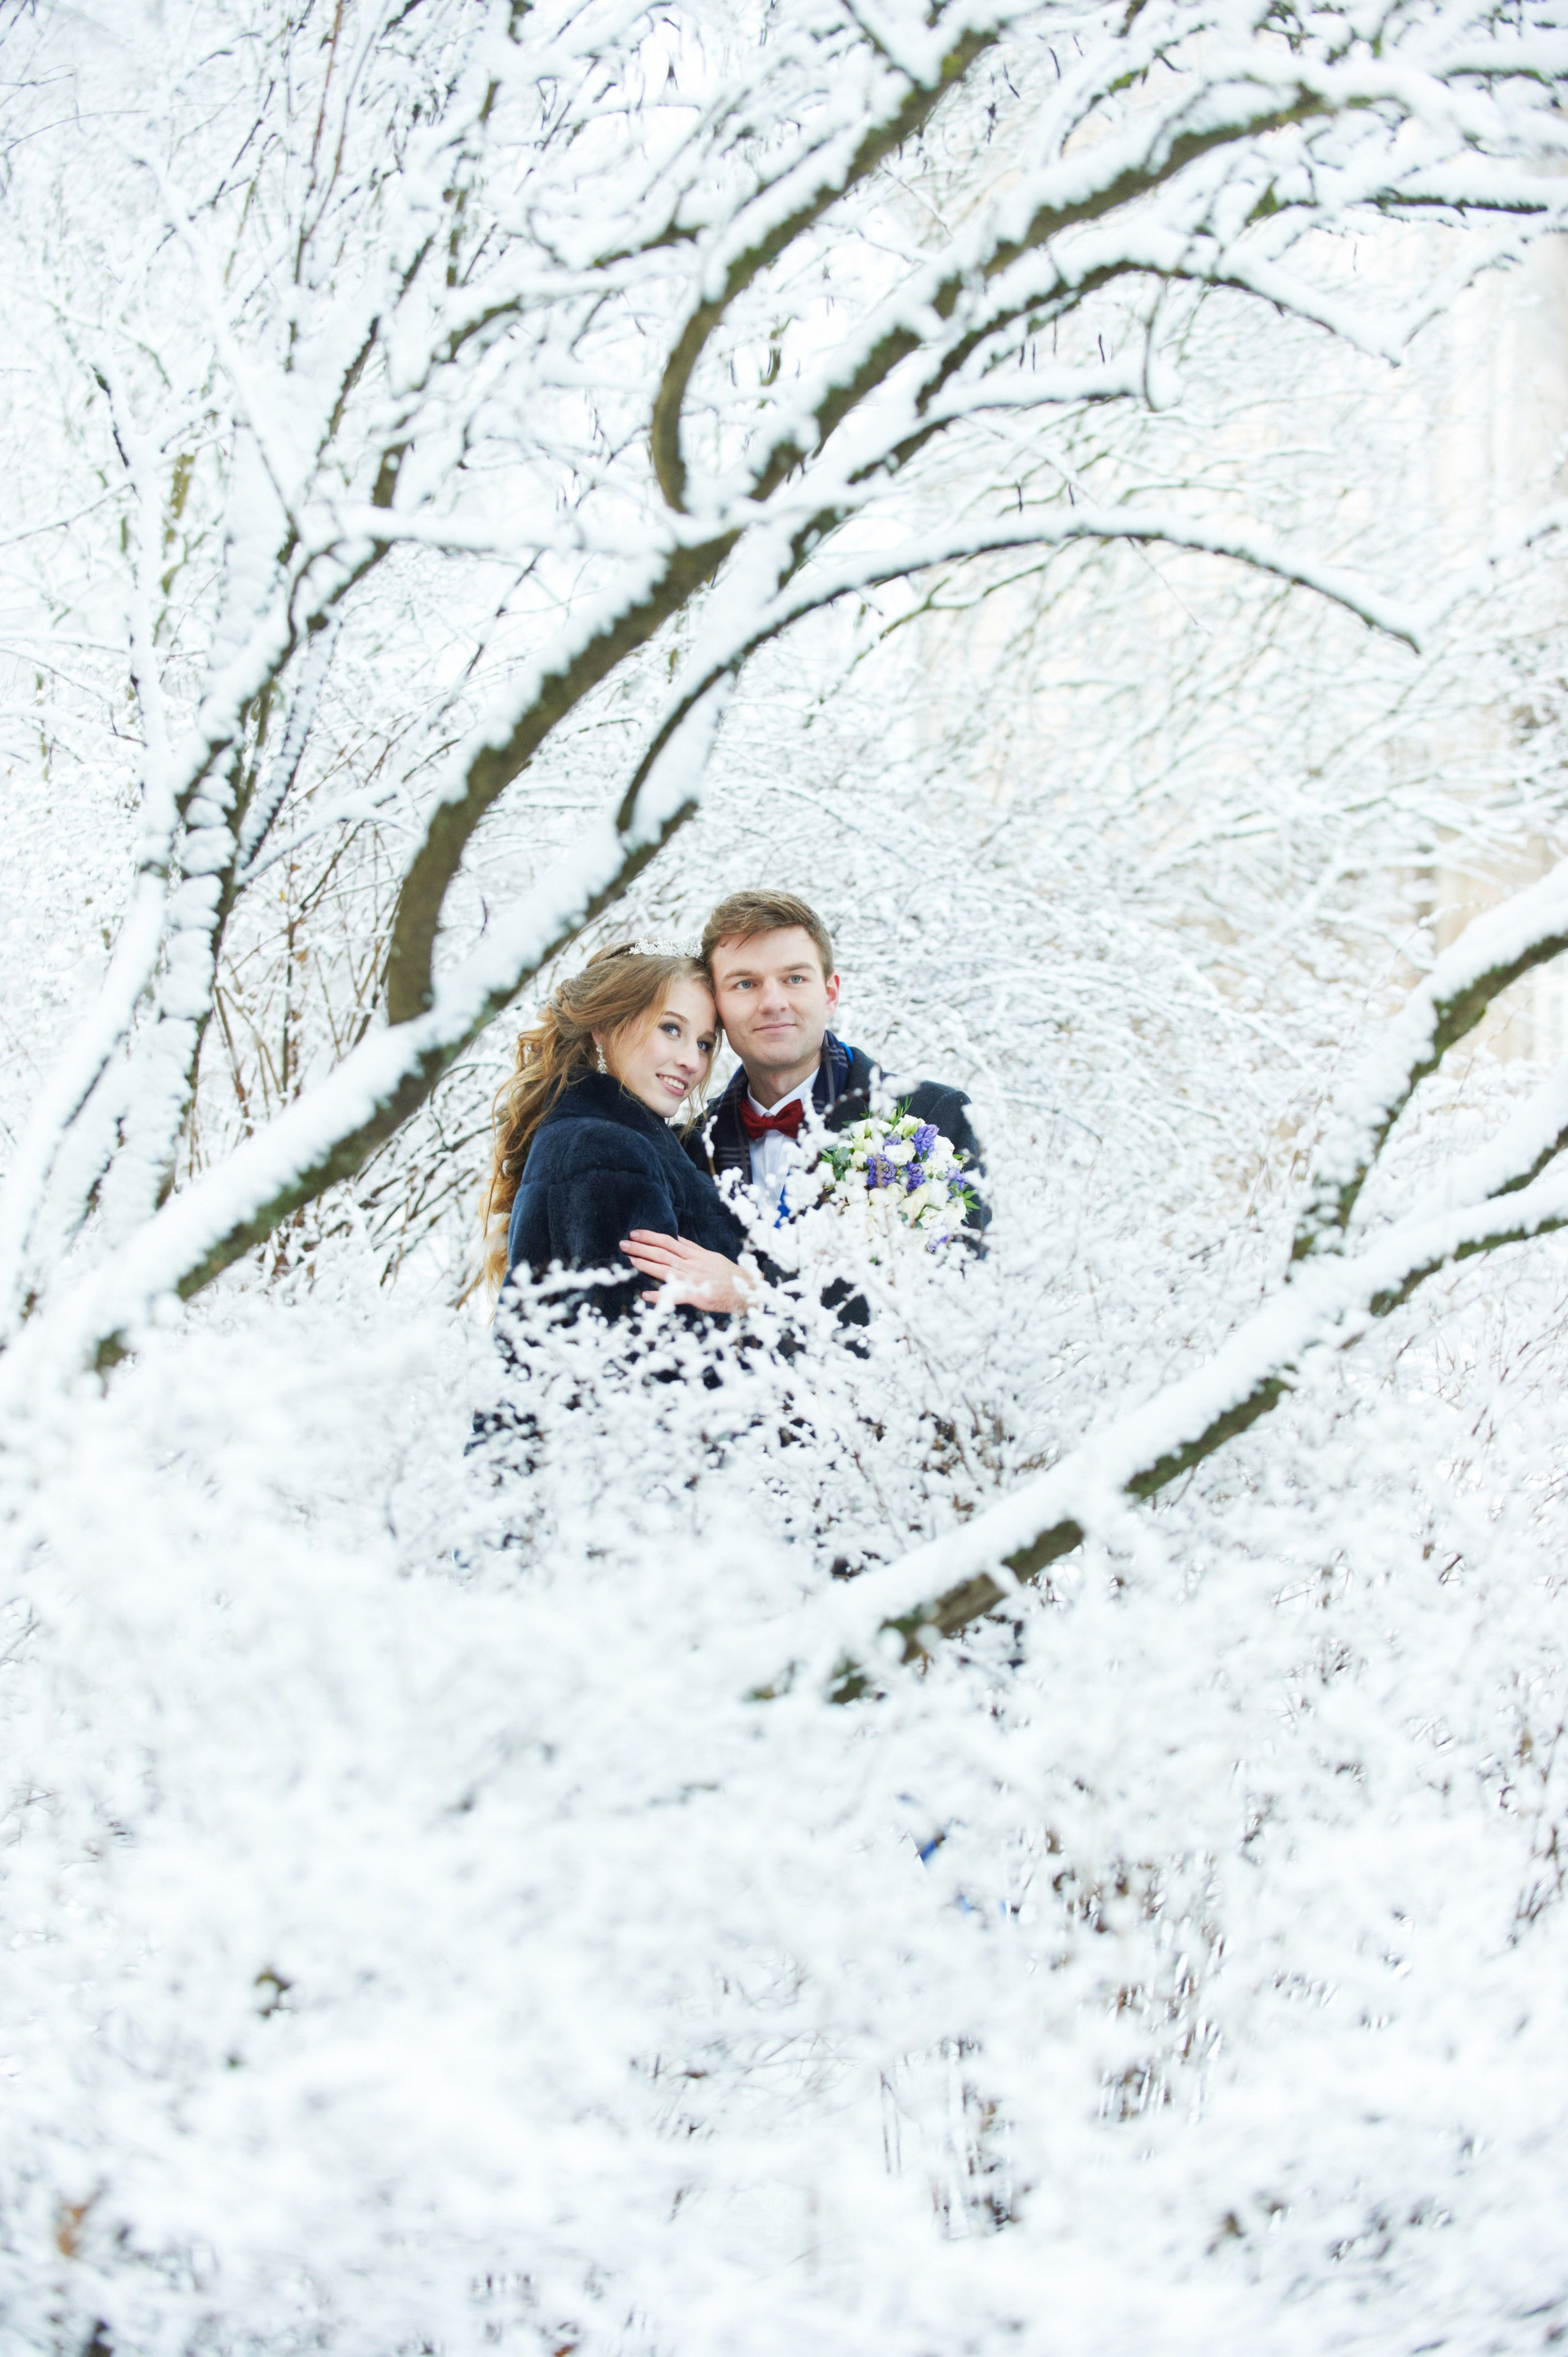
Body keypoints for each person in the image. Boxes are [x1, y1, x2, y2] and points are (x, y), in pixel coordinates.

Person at [682, 890, 985, 1238]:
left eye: (794, 979)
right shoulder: (686, 1146)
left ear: (830, 995)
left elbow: (960, 1281)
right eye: (745, 984)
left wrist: (748, 1292)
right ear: (715, 1006)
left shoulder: (936, 1116)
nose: (773, 1002)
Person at [483, 945, 754, 1320]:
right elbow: (642, 1346)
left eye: (704, 1044)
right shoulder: (606, 1150)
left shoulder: (611, 1140)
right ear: (604, 1027)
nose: (692, 1061)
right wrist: (756, 1301)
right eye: (671, 1028)